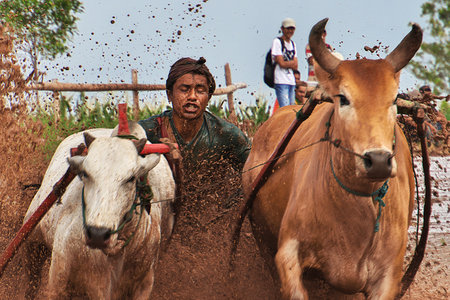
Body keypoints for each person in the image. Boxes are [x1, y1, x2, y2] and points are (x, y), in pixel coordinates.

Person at [138, 57, 251, 215]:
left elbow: (255, 171)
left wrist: (230, 207)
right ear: (169, 94)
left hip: (211, 219)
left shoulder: (226, 134)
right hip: (162, 217)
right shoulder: (148, 131)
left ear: (209, 97)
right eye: (184, 89)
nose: (192, 96)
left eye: (200, 90)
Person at [271, 17, 298, 107]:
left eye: (292, 29)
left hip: (291, 81)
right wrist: (291, 63)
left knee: (292, 109)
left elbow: (296, 65)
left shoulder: (293, 44)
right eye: (288, 28)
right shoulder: (277, 42)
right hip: (281, 80)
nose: (290, 31)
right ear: (282, 29)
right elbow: (281, 63)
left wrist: (286, 63)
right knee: (285, 108)